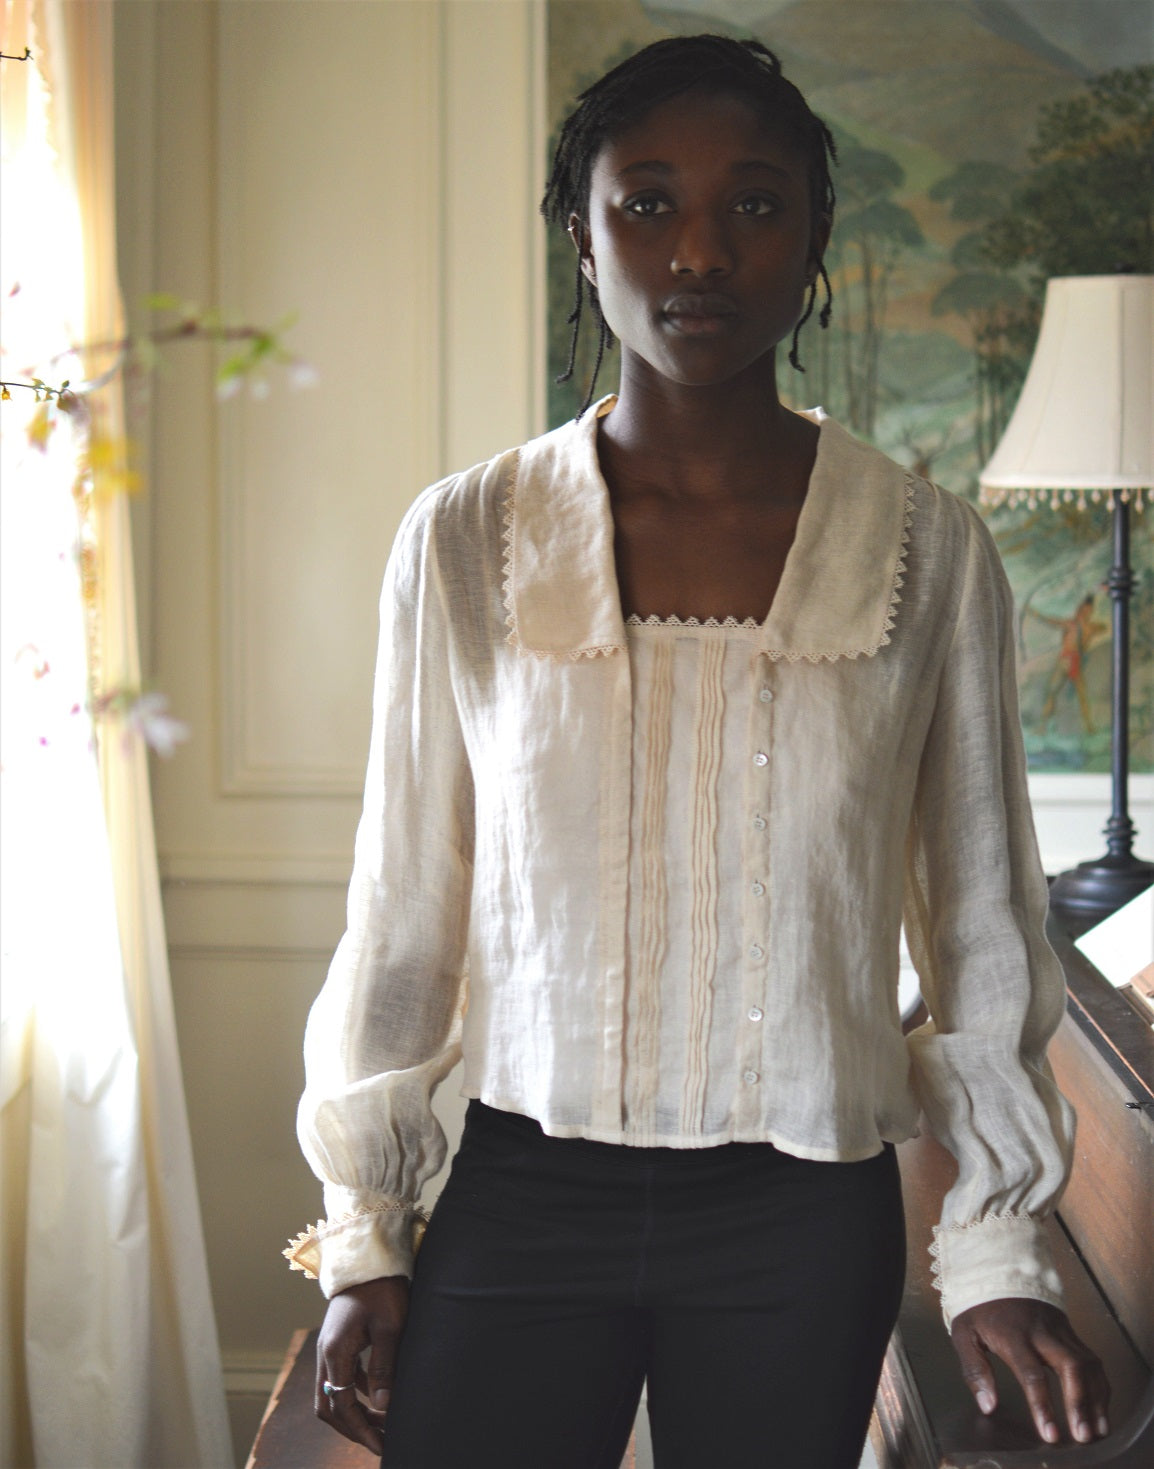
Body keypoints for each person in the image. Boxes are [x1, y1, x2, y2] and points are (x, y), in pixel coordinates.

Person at [286, 35, 1110, 1469]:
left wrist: (990, 1255)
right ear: (581, 236)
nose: (700, 251)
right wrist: (365, 1228)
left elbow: (979, 923)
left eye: (754, 204)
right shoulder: (466, 538)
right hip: (519, 1191)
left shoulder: (922, 549)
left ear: (810, 240)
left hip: (800, 1214)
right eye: (646, 202)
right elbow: (403, 908)